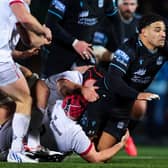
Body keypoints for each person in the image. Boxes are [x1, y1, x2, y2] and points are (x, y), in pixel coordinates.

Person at [78, 13, 167, 154]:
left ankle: (123, 138)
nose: (163, 34)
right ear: (143, 32)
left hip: (124, 106)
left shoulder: (163, 48)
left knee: (102, 152)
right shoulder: (127, 50)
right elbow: (114, 80)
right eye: (157, 30)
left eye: (164, 31)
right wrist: (137, 94)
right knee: (87, 150)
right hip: (104, 99)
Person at [0, 0, 52, 163]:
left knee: (13, 98)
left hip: (5, 58)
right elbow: (25, 19)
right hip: (2, 62)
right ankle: (16, 151)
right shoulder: (15, 1)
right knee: (24, 99)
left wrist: (42, 39)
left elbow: (28, 39)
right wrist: (43, 29)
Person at [40, 0, 118, 78]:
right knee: (52, 86)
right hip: (58, 50)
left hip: (85, 51)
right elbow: (50, 24)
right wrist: (74, 42)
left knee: (88, 85)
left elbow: (117, 21)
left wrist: (119, 48)